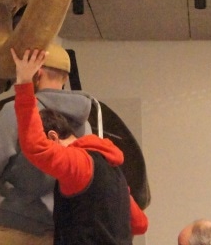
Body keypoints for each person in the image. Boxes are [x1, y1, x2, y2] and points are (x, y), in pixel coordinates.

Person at [12, 48, 148, 245]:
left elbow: (35, 147)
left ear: (53, 136)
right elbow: (140, 224)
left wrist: (24, 82)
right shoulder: (113, 171)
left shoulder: (80, 164)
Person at [0, 43, 95, 245]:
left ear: (37, 73)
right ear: (65, 77)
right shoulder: (84, 126)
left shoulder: (16, 111)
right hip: (59, 233)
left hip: (12, 228)